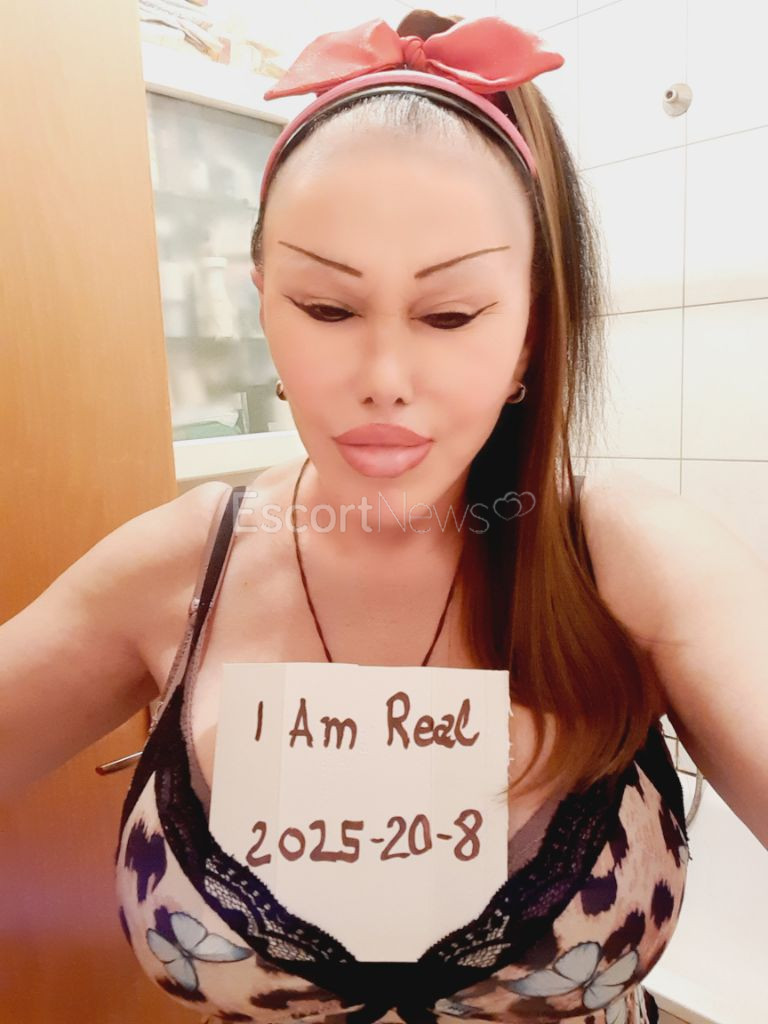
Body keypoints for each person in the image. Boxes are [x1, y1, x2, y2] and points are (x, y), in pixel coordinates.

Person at [2, 9, 765, 1024]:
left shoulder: (631, 559)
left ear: (531, 329)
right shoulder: (180, 566)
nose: (385, 378)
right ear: (262, 299)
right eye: (327, 308)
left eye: (450, 315)